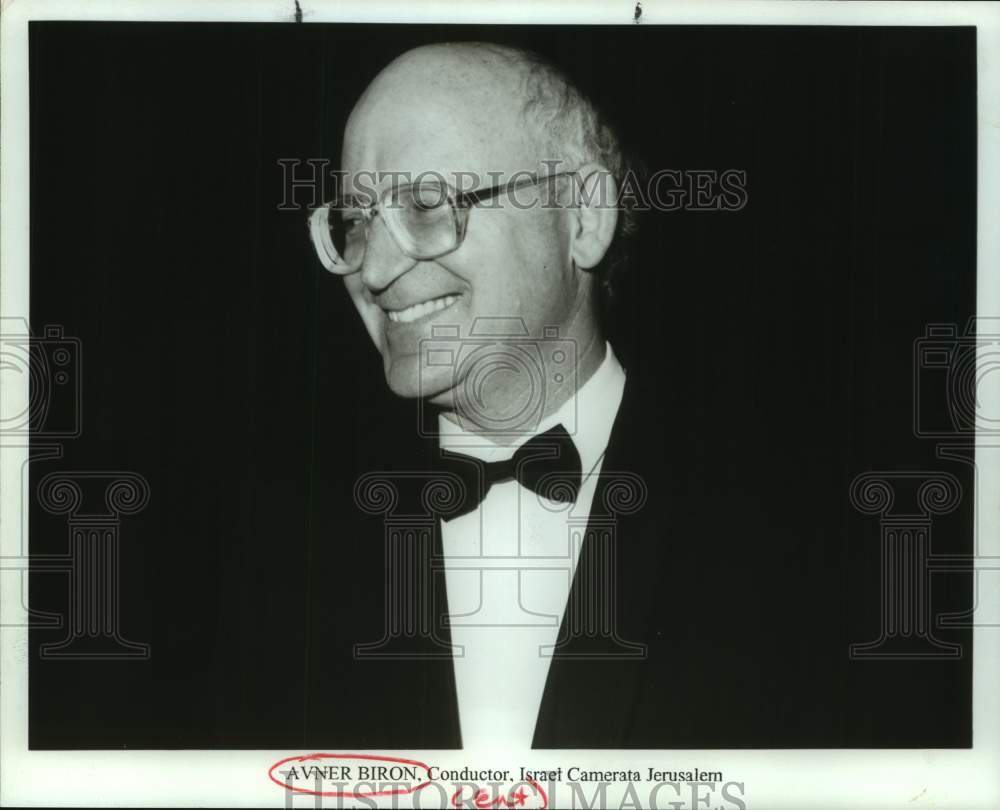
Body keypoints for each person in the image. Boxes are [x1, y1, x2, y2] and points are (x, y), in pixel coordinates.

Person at [288, 41, 970, 751]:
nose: (375, 266)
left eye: (427, 204)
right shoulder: (283, 552)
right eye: (355, 220)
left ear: (583, 218)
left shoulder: (826, 536)